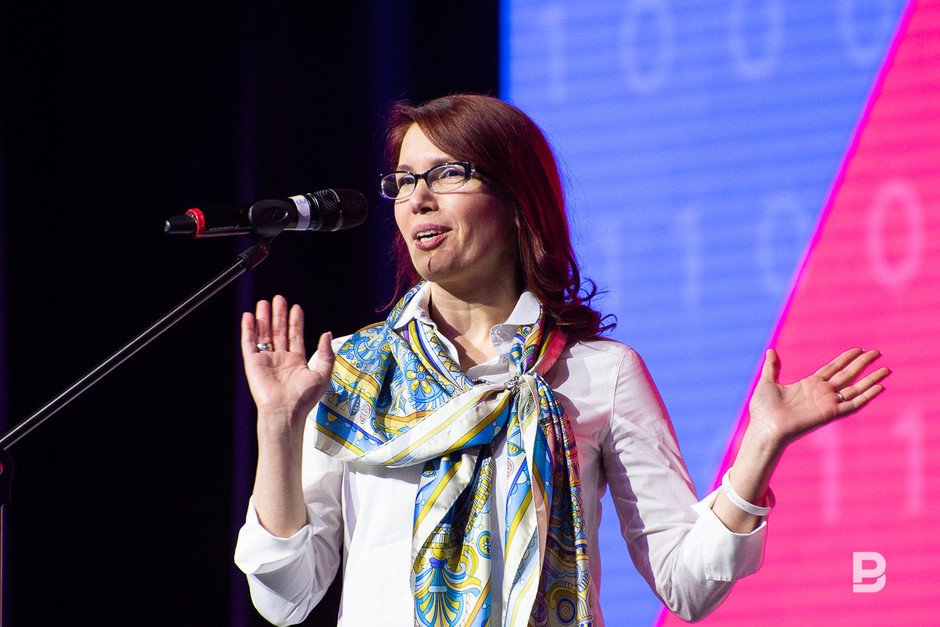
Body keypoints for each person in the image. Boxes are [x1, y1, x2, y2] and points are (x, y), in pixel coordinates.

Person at [233, 94, 889, 626]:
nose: (417, 199)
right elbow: (285, 597)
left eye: (447, 174)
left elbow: (687, 584)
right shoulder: (350, 371)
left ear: (516, 196)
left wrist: (761, 446)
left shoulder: (600, 373)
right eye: (404, 181)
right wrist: (278, 428)